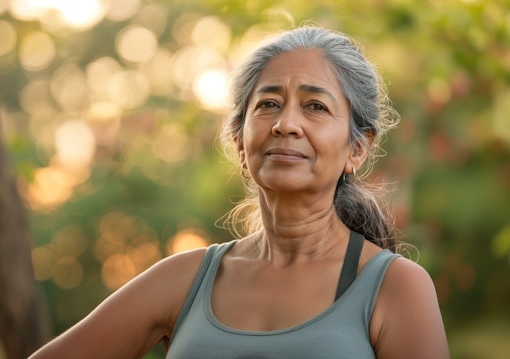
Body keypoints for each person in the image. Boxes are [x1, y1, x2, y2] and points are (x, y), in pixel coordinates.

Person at [29, 25, 449, 358]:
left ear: (358, 148)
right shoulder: (183, 280)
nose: (286, 123)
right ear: (239, 143)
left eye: (315, 106)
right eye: (268, 104)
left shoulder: (395, 287)